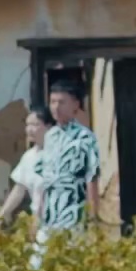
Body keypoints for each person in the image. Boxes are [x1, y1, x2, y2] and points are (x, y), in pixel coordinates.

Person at [35, 78, 101, 250]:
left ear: (75, 105)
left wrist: (93, 218)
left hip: (74, 213)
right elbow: (45, 178)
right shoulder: (50, 136)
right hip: (49, 215)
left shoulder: (85, 138)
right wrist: (39, 211)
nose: (56, 107)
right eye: (53, 102)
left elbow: (92, 178)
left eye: (62, 102)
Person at [0, 105, 52, 223]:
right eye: (28, 125)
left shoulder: (60, 153)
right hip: (39, 222)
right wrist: (3, 213)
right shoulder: (29, 157)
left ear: (49, 126)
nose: (30, 129)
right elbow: (19, 188)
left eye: (35, 125)